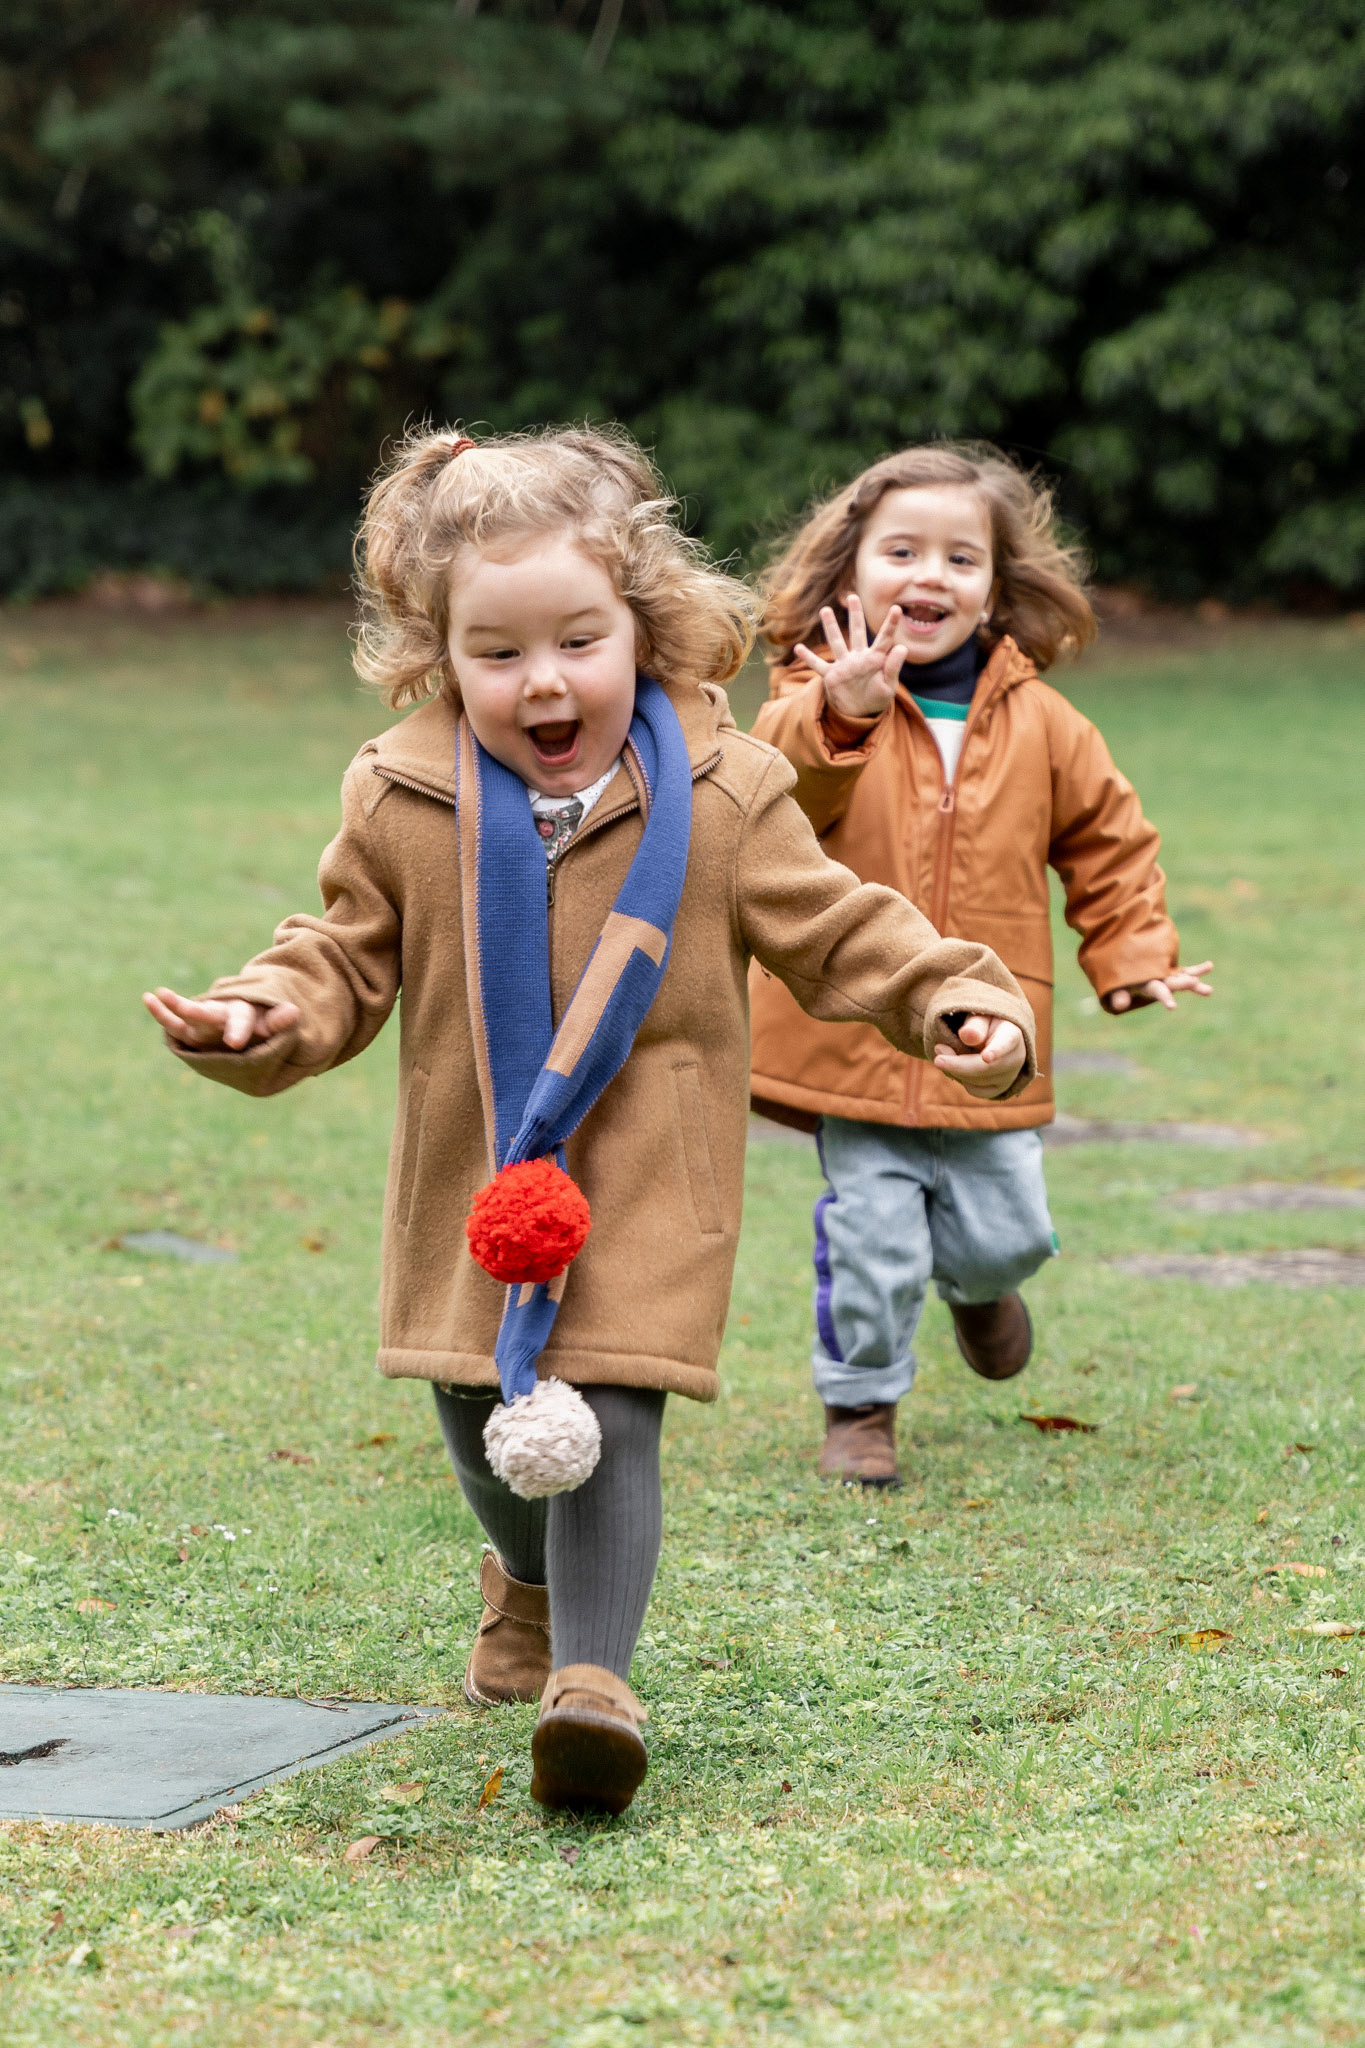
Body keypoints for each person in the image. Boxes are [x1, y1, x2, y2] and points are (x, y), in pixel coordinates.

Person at [143, 424, 1037, 1816]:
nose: (543, 681)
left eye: (578, 640)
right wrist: (266, 1015)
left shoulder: (730, 792)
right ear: (442, 657)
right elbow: (341, 952)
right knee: (481, 1412)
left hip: (647, 1172)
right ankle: (526, 1585)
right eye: (496, 655)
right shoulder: (400, 794)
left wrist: (949, 1001)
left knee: (607, 1415)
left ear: (648, 627)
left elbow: (836, 929)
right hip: (474, 1169)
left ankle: (594, 1694)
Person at [749, 442, 1213, 1490]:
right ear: (849, 572)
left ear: (998, 588)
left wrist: (1133, 955)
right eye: (901, 550)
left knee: (1006, 1236)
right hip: (858, 1021)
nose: (930, 575)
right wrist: (844, 712)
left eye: (962, 558)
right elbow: (770, 807)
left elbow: (1109, 841)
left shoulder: (1044, 720)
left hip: (993, 1031)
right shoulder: (811, 694)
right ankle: (860, 1404)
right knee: (872, 1232)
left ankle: (979, 1284)